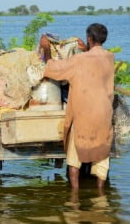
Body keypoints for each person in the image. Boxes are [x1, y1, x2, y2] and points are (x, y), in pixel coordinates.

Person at [43, 23, 114, 190]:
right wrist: (86, 50)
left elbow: (51, 67)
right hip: (104, 114)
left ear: (89, 38)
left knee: (74, 161)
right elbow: (93, 63)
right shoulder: (109, 58)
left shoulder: (79, 60)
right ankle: (100, 195)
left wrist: (46, 49)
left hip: (84, 115)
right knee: (102, 158)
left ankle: (74, 196)